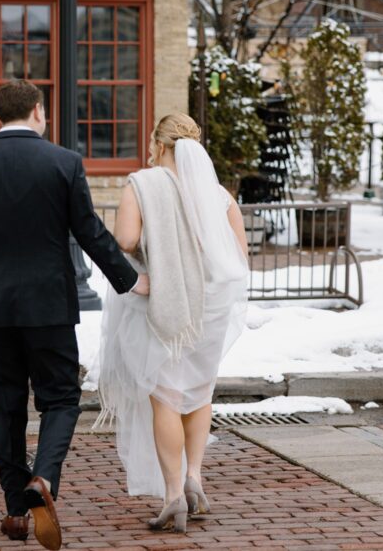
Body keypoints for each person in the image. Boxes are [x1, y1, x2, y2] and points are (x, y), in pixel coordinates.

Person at [0, 80, 149, 550]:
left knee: (7, 404)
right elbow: (91, 233)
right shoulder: (64, 163)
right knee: (60, 398)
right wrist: (131, 280)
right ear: (37, 111)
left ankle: (16, 511)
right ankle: (45, 479)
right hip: (50, 305)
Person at [95, 113, 248, 533]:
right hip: (211, 307)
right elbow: (239, 255)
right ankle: (195, 474)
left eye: (150, 142)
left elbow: (126, 240)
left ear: (160, 145)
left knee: (165, 395)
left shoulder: (142, 185)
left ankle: (173, 494)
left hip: (165, 304)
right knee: (198, 393)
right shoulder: (219, 195)